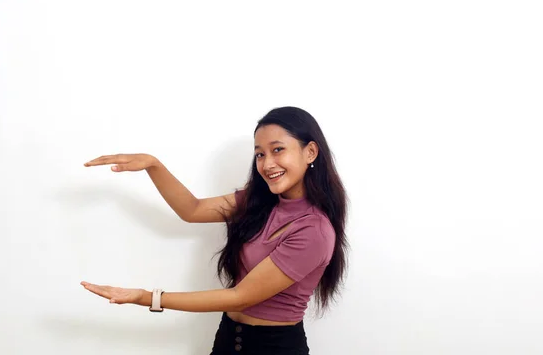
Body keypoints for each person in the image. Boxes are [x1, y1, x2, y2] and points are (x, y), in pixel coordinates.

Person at [80, 106, 349, 354]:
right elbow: (192, 210)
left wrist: (147, 298)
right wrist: (154, 165)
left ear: (310, 152)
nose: (267, 164)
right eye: (260, 154)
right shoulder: (258, 202)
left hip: (274, 347)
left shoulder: (315, 230)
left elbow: (240, 297)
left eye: (278, 150)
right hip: (228, 338)